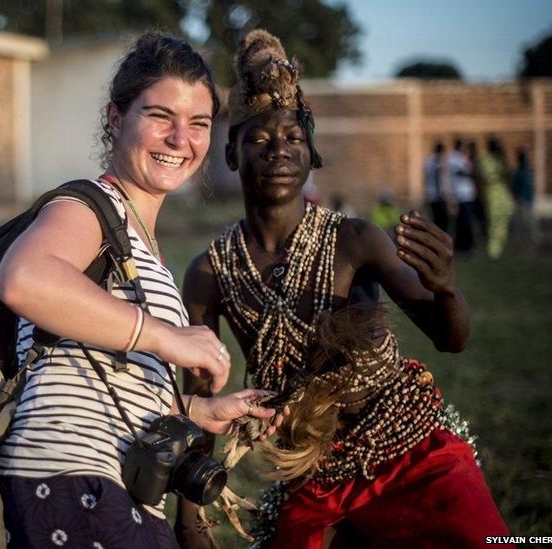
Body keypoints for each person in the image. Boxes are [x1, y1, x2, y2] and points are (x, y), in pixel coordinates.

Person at [180, 30, 508, 548]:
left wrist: (446, 288)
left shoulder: (355, 240)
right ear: (231, 154)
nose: (279, 151)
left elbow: (451, 339)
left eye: (293, 138)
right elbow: (198, 400)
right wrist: (190, 518)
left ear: (312, 153)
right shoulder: (210, 272)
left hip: (408, 450)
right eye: (259, 140)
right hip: (311, 474)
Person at [0, 32, 282, 548]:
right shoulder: (86, 207)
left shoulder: (139, 242)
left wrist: (195, 413)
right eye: (159, 116)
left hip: (105, 490)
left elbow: (88, 370)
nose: (180, 139)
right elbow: (25, 278)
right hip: (69, 481)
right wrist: (168, 339)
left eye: (197, 123)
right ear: (114, 117)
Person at [477, 138, 514, 260]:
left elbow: (509, 173)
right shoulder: (485, 159)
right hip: (492, 194)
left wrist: (504, 157)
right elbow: (487, 176)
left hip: (504, 194)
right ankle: (493, 251)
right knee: (494, 221)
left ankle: (500, 247)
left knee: (505, 219)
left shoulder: (501, 158)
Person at [448, 138, 477, 252]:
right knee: (464, 222)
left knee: (466, 221)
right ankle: (463, 246)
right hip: (461, 195)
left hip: (467, 194)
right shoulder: (454, 157)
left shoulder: (462, 157)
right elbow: (458, 172)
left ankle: (465, 245)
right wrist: (471, 174)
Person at [510, 149, 538, 249]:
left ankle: (530, 242)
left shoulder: (527, 172)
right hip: (523, 201)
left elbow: (531, 186)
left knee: (528, 222)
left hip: (527, 200)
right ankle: (525, 242)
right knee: (524, 223)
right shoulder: (520, 172)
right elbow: (513, 187)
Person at [423, 141, 448, 232]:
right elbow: (439, 179)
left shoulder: (428, 160)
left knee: (435, 219)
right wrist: (444, 194)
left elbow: (425, 177)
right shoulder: (438, 161)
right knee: (442, 221)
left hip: (431, 194)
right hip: (439, 195)